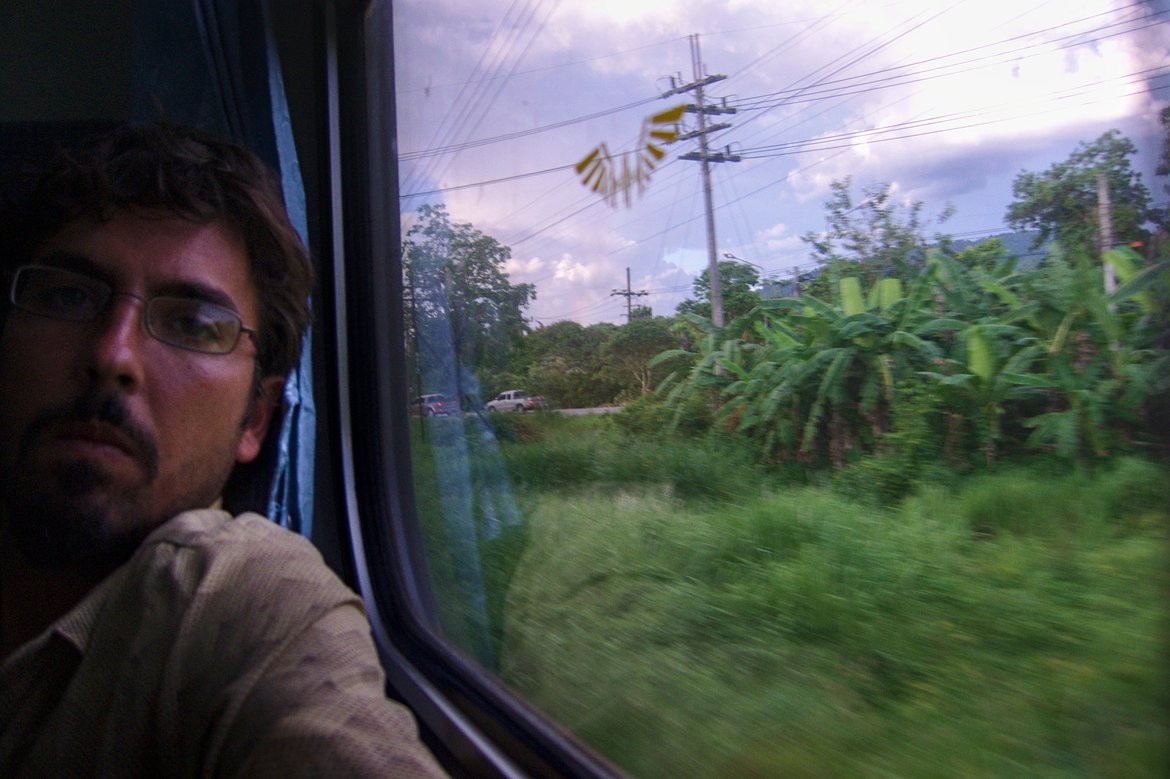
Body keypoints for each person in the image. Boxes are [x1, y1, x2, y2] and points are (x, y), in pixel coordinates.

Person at [0, 123, 447, 777]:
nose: (112, 355)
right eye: (67, 295)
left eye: (192, 323)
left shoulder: (250, 604)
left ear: (256, 419)